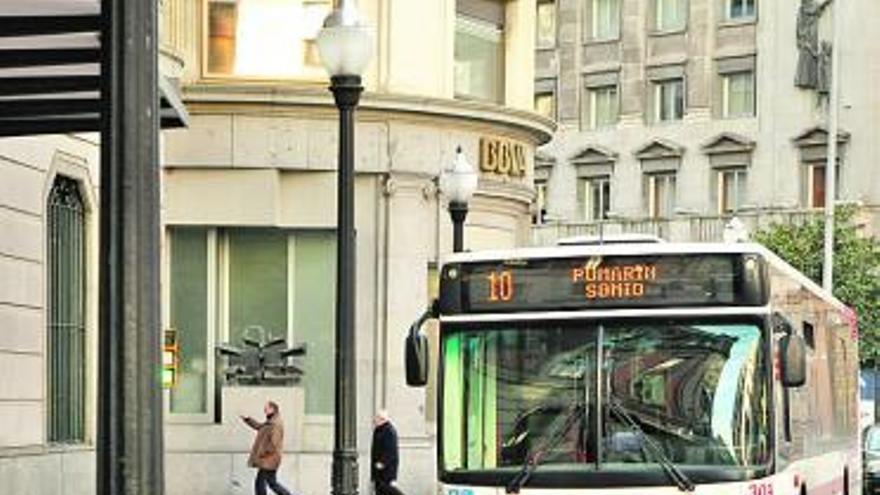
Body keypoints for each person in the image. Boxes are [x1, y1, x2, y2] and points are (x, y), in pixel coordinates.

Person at [241, 401, 295, 495]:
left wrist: (263, 453)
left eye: (267, 408)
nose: (264, 409)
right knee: (271, 483)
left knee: (260, 483)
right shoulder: (270, 422)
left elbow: (274, 443)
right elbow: (259, 427)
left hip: (269, 459)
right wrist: (248, 419)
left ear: (273, 409)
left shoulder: (276, 424)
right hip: (269, 459)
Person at [371, 410, 404, 495]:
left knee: (386, 488)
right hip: (378, 468)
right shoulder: (378, 430)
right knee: (379, 489)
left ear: (382, 419)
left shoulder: (389, 431)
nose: (374, 420)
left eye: (376, 418)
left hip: (386, 469)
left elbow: (391, 451)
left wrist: (382, 462)